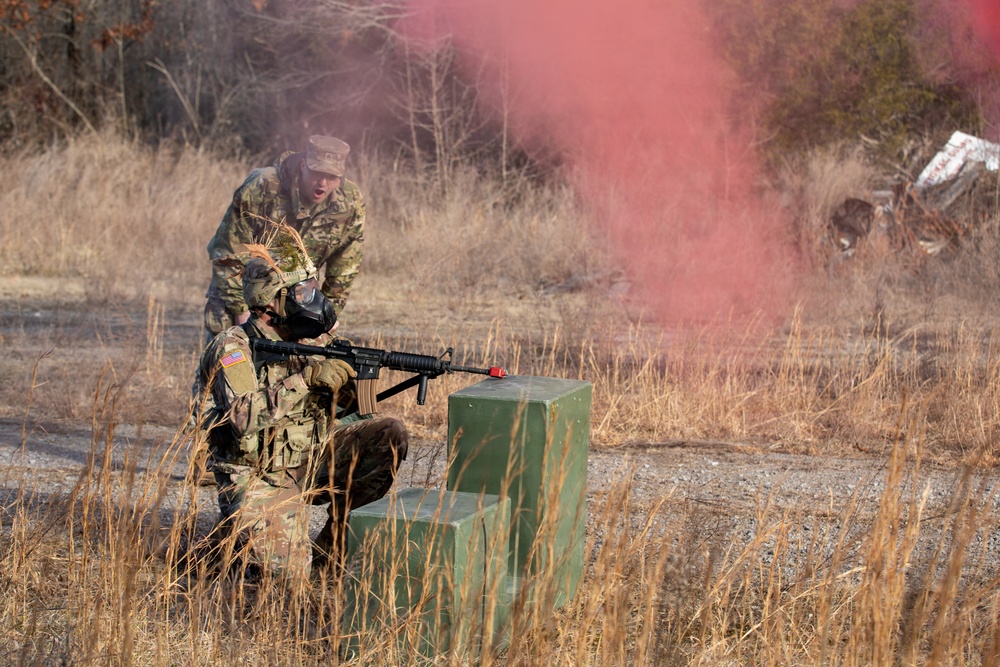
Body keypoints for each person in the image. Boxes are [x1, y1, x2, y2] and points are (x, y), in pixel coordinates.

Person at [192, 242, 408, 582]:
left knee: (388, 434)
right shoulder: (233, 347)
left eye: (313, 288)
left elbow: (352, 409)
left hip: (308, 457)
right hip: (259, 473)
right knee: (287, 581)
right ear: (270, 300)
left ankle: (331, 551)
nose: (314, 299)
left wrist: (352, 375)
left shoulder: (309, 340)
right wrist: (305, 379)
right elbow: (240, 418)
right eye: (303, 291)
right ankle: (225, 546)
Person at [203, 135, 365, 342]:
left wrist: (327, 311)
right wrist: (241, 312)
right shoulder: (263, 186)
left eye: (331, 177)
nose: (323, 183)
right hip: (241, 293)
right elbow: (227, 250)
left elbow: (346, 265)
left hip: (298, 303)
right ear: (304, 165)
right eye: (317, 173)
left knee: (295, 371)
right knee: (226, 364)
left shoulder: (349, 202)